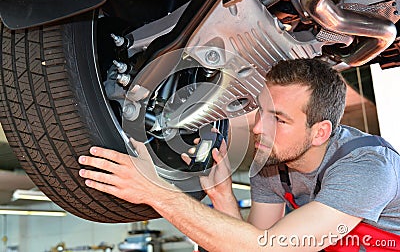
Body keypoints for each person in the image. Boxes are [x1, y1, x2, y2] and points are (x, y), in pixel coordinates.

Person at [77, 59, 400, 251]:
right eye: (261, 112)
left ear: (320, 132)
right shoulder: (272, 165)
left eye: (279, 119)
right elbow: (248, 244)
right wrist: (223, 198)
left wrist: (158, 194)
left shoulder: (367, 169)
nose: (259, 127)